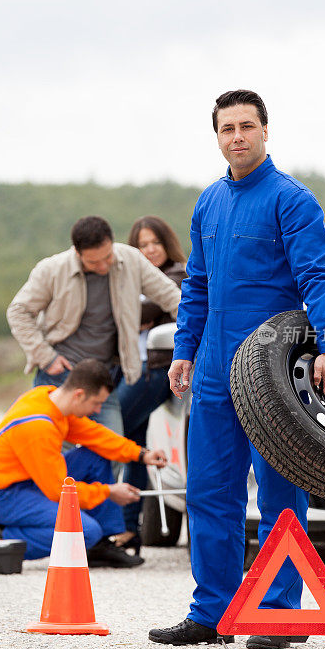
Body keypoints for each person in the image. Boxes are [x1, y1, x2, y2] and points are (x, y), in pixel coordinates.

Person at [149, 90, 325, 649]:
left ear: (265, 131)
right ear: (216, 136)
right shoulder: (208, 202)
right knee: (211, 490)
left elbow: (317, 277)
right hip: (213, 368)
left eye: (246, 126)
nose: (237, 136)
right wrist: (184, 349)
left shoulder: (292, 199)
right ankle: (212, 612)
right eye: (226, 128)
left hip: (273, 371)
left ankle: (280, 613)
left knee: (282, 491)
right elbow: (199, 287)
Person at [0, 359, 168, 568]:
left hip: (28, 481)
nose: (97, 410)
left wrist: (141, 454)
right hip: (3, 495)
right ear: (79, 395)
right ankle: (3, 538)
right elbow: (58, 491)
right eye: (96, 403)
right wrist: (108, 492)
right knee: (85, 531)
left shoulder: (49, 399)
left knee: (94, 455)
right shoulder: (38, 427)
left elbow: (96, 436)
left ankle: (100, 545)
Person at [6, 216, 182, 438]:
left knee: (112, 447)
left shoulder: (130, 259)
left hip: (102, 379)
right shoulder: (51, 269)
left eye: (107, 257)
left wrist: (194, 334)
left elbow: (173, 298)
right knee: (53, 446)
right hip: (59, 376)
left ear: (112, 242)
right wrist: (45, 357)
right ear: (77, 253)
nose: (102, 266)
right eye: (93, 262)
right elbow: (18, 311)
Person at [115, 217, 187, 552]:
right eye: (142, 244)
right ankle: (130, 531)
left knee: (110, 434)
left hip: (157, 372)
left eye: (155, 242)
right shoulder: (131, 278)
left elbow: (142, 310)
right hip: (133, 370)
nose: (150, 249)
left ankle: (102, 522)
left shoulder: (177, 274)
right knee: (133, 445)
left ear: (167, 244)